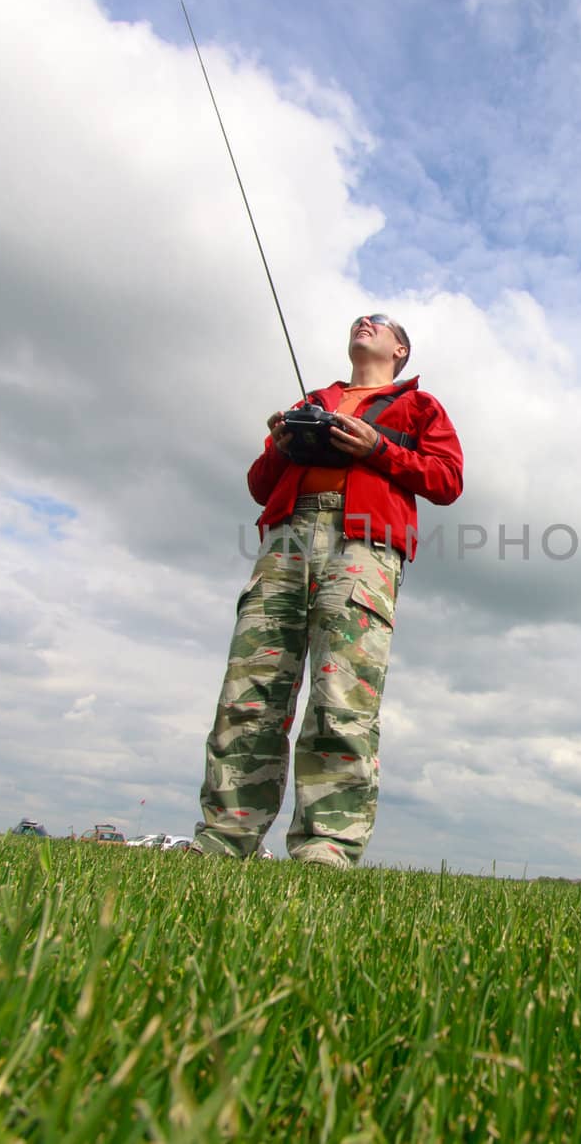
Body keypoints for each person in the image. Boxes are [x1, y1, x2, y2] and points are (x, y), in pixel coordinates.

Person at [194, 313, 464, 868]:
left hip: (362, 544)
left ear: (401, 349)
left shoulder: (419, 406)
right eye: (359, 318)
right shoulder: (312, 399)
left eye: (380, 322)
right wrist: (279, 442)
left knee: (343, 692)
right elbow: (258, 484)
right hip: (287, 539)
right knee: (252, 688)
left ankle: (328, 842)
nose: (365, 321)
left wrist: (375, 448)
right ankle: (225, 837)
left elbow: (448, 480)